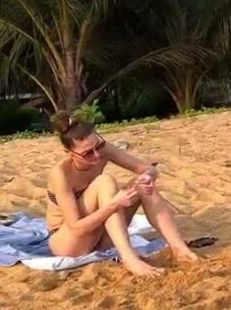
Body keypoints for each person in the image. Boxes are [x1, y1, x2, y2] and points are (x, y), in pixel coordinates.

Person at [46, 114, 200, 276]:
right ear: (69, 152)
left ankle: (180, 249)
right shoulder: (61, 174)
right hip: (69, 243)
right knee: (105, 181)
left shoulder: (103, 150)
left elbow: (148, 169)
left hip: (101, 236)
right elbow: (76, 228)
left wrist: (147, 177)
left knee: (140, 184)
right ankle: (130, 258)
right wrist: (114, 204)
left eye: (98, 147)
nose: (97, 155)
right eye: (87, 154)